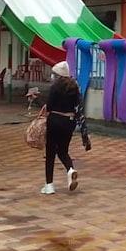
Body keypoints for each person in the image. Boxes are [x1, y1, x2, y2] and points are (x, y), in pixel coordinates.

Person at [41, 61, 81, 195]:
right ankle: (70, 170)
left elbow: (50, 105)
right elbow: (77, 105)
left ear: (58, 75)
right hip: (69, 122)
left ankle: (49, 185)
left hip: (55, 121)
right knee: (63, 151)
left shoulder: (55, 87)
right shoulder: (75, 87)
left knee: (51, 152)